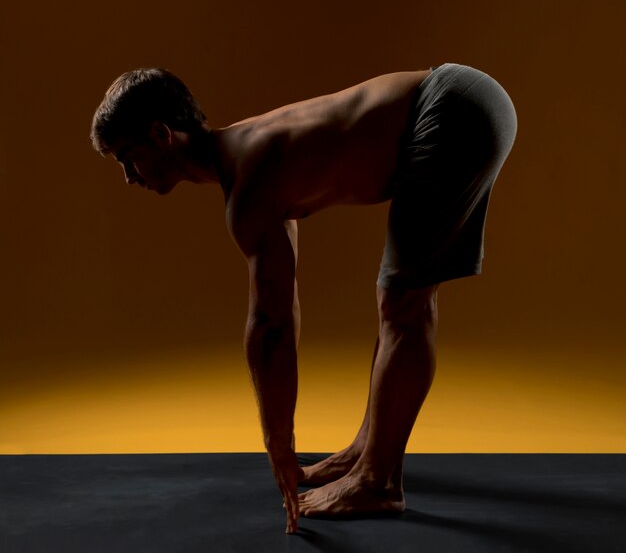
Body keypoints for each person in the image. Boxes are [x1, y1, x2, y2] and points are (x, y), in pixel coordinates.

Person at [90, 64, 517, 533]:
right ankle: (368, 452)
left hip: (452, 106)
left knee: (403, 308)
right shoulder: (249, 159)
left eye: (127, 157)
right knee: (400, 303)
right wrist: (282, 440)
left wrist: (278, 444)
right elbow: (282, 307)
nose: (129, 176)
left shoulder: (248, 182)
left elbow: (269, 324)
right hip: (463, 98)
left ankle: (378, 483)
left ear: (161, 134)